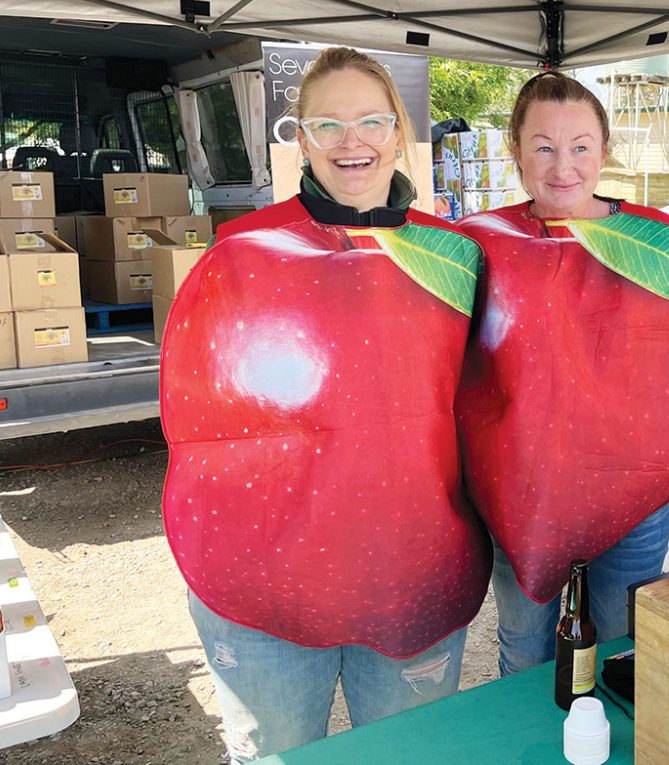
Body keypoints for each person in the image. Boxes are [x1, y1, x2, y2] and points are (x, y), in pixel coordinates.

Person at [159, 47, 490, 762]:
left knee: (411, 755)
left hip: (414, 572)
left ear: (399, 132)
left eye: (372, 120)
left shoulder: (452, 258)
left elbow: (498, 407)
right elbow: (199, 421)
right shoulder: (246, 249)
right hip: (269, 585)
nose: (352, 141)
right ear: (300, 137)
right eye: (328, 124)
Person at [455, 73, 669, 675]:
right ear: (516, 151)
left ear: (604, 151)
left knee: (621, 649)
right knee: (524, 646)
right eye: (543, 147)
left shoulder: (657, 244)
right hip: (523, 494)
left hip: (631, 493)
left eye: (580, 146)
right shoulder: (482, 243)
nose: (564, 166)